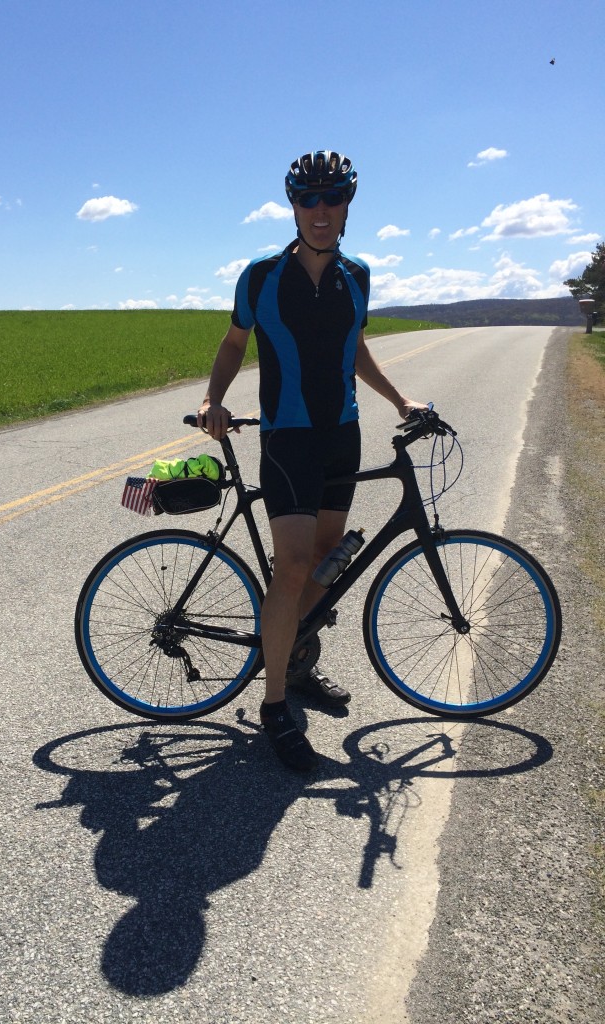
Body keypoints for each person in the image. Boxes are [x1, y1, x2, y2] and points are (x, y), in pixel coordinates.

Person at [198, 150, 426, 771]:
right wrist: (213, 399)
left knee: (326, 565)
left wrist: (401, 398)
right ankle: (274, 706)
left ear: (348, 205)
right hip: (289, 438)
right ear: (293, 206)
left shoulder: (359, 275)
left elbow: (354, 349)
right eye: (308, 199)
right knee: (293, 566)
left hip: (341, 435)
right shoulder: (261, 275)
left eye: (332, 199)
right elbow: (232, 342)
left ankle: (297, 664)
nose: (320, 211)